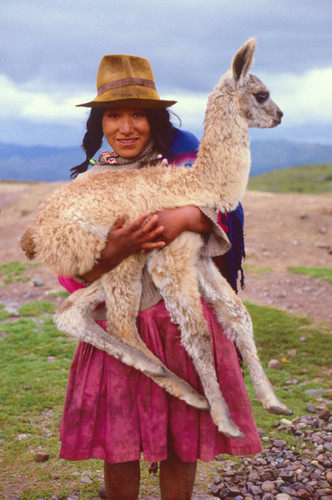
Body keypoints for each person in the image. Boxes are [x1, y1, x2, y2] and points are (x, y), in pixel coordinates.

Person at [58, 54, 262, 500]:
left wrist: (189, 214)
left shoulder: (186, 162)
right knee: (119, 440)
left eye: (138, 114)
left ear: (155, 118)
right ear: (100, 122)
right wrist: (115, 250)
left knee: (180, 439)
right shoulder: (92, 181)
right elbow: (72, 270)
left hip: (179, 325)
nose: (125, 127)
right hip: (122, 326)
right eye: (113, 114)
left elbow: (226, 210)